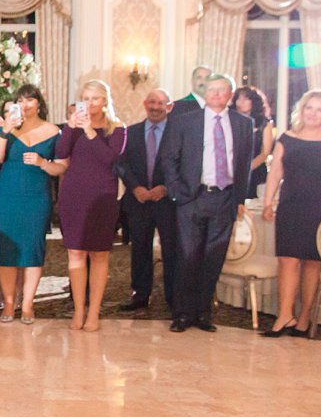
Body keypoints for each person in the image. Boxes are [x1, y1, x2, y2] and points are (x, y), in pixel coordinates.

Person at [160, 73, 254, 333]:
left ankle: (203, 313)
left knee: (213, 258)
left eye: (221, 90)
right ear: (205, 92)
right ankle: (182, 313)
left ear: (229, 95)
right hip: (192, 198)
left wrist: (240, 199)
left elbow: (244, 164)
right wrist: (177, 193)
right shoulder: (183, 121)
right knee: (188, 256)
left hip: (225, 198)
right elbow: (168, 159)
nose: (215, 94)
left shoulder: (243, 124)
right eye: (211, 89)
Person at [260, 90, 321, 337]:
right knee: (287, 259)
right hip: (291, 204)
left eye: (320, 109)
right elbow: (275, 172)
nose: (313, 114)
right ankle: (284, 316)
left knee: (312, 263)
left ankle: (304, 318)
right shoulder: (287, 138)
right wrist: (268, 202)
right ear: (301, 110)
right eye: (309, 108)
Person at [56, 80, 128, 331]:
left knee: (98, 254)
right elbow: (61, 152)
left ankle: (94, 312)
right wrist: (69, 127)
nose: (90, 103)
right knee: (75, 253)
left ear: (105, 101)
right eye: (85, 98)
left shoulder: (117, 129)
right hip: (74, 195)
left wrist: (89, 131)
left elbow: (109, 159)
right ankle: (78, 310)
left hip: (102, 197)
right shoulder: (74, 127)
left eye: (95, 98)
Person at [0, 85, 61, 324]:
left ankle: (28, 304)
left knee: (32, 248)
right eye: (21, 100)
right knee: (6, 249)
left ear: (39, 103)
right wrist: (5, 131)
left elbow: (61, 167)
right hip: (7, 195)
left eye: (30, 100)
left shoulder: (53, 131)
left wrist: (42, 162)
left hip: (36, 196)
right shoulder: (6, 127)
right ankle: (9, 303)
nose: (26, 104)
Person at [115, 88, 178, 313]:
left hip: (168, 201)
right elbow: (121, 164)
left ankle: (173, 297)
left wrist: (167, 187)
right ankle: (140, 295)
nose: (156, 106)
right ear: (144, 104)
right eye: (152, 102)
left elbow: (186, 164)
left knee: (171, 249)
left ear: (169, 106)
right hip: (138, 201)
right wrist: (135, 188)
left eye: (161, 103)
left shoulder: (178, 132)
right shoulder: (130, 132)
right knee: (140, 249)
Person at [234, 84, 275, 195]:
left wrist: (247, 168)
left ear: (254, 101)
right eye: (238, 98)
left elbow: (265, 152)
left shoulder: (264, 123)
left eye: (246, 98)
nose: (241, 102)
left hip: (255, 172)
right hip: (232, 173)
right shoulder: (230, 121)